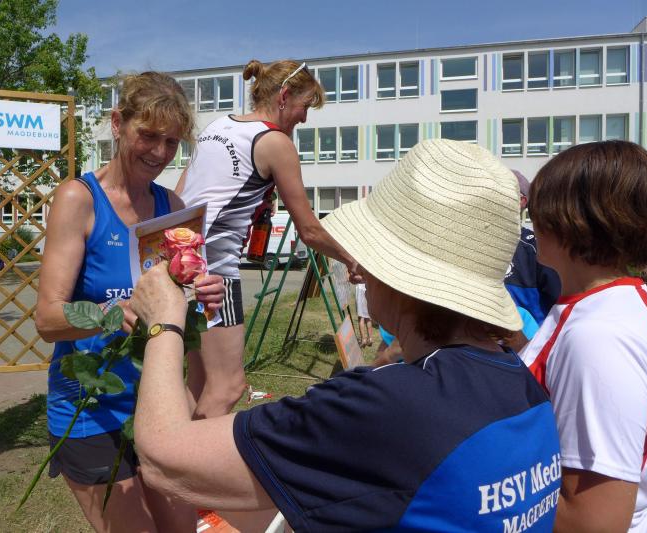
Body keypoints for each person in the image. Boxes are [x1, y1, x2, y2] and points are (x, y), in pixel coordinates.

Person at [130, 139, 562, 531]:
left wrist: (164, 322)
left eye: (369, 254)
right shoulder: (520, 381)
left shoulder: (387, 406)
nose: (358, 270)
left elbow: (164, 457)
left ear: (400, 276)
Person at [35, 72, 224, 533]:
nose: (159, 152)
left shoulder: (171, 205)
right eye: (149, 135)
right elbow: (47, 319)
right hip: (91, 407)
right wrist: (107, 315)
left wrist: (201, 295)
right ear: (118, 123)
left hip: (156, 403)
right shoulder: (79, 199)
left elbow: (178, 305)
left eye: (172, 142)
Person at [176, 59, 361, 419]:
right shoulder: (275, 142)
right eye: (305, 106)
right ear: (284, 95)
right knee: (229, 386)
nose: (304, 118)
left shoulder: (217, 127)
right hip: (216, 273)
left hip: (182, 262)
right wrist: (353, 259)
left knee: (199, 382)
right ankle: (191, 455)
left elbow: (180, 198)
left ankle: (172, 447)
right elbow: (309, 230)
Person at [520, 140, 647, 532]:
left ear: (572, 220)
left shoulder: (599, 337)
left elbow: (594, 521)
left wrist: (476, 483)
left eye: (539, 210)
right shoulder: (608, 307)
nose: (531, 222)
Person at [503, 170, 561, 351]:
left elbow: (560, 307)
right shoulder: (471, 244)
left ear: (522, 201)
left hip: (529, 352)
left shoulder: (538, 247)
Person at [354, 283, 372, 347]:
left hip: (360, 289)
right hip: (368, 288)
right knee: (368, 316)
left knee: (361, 317)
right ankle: (370, 338)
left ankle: (363, 339)